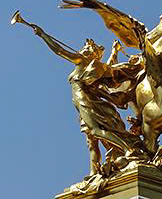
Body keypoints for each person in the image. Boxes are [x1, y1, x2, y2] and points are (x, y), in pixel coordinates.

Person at [30, 24, 142, 176]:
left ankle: (128, 148)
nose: (83, 50)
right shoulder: (89, 66)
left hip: (86, 102)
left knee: (95, 131)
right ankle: (93, 172)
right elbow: (107, 69)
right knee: (92, 142)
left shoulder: (83, 62)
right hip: (83, 105)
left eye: (88, 49)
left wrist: (43, 35)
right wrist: (114, 52)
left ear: (93, 55)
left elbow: (60, 50)